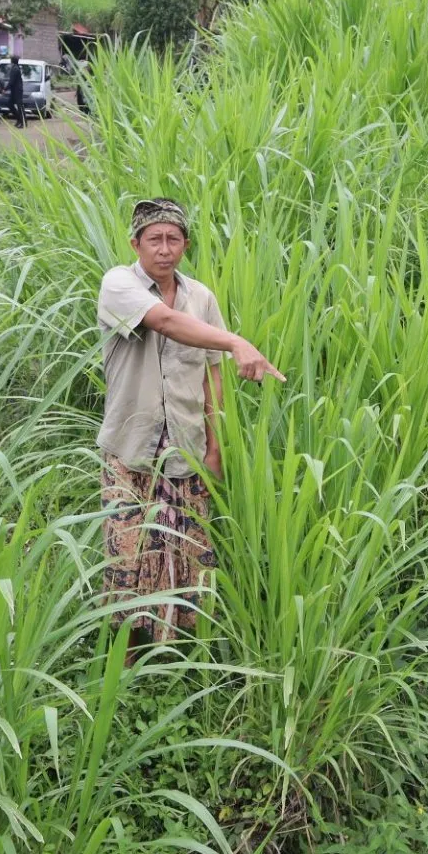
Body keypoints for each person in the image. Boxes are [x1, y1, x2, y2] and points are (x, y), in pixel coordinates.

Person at [96, 198, 284, 653]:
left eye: (173, 239)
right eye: (154, 239)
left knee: (189, 558)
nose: (164, 249)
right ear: (135, 243)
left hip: (186, 450)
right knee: (128, 560)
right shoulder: (119, 284)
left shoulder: (202, 297)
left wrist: (214, 446)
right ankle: (124, 666)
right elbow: (165, 322)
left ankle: (184, 662)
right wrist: (238, 340)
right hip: (131, 450)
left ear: (185, 245)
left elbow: (212, 374)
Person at [5, 57, 26, 129]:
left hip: (17, 90)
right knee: (10, 104)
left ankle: (23, 122)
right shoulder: (15, 68)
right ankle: (19, 120)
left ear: (12, 61)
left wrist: (5, 88)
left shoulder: (15, 69)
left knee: (20, 106)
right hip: (14, 90)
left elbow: (11, 81)